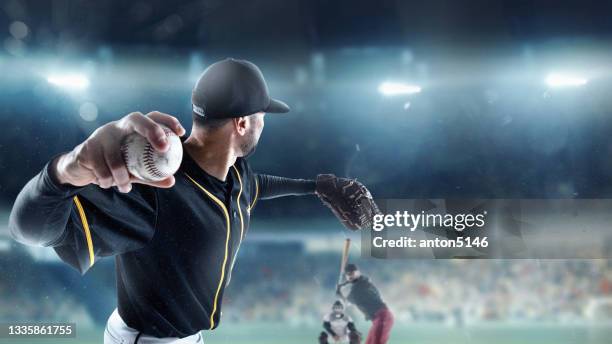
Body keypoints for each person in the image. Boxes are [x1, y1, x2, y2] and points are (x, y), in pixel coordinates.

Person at [8, 58, 376, 344]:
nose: (265, 123)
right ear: (243, 124)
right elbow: (30, 231)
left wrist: (315, 186)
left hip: (188, 337)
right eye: (262, 116)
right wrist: (65, 170)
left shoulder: (236, 173)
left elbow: (258, 187)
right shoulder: (154, 189)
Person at [337, 264, 393, 344]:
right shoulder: (363, 281)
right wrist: (342, 287)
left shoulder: (358, 288)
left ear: (358, 272)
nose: (350, 276)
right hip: (379, 319)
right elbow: (352, 282)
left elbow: (346, 303)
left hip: (382, 317)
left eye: (352, 273)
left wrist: (339, 293)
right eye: (348, 274)